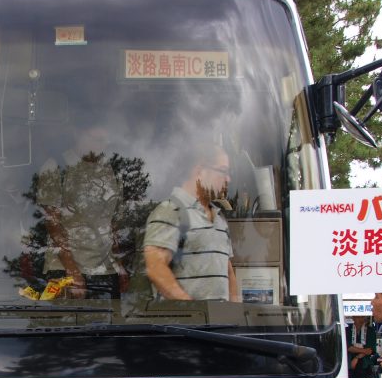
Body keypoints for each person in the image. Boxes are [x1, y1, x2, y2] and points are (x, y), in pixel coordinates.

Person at [35, 124, 126, 298]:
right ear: (77, 133)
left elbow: (111, 222)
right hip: (66, 270)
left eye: (105, 141)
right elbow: (51, 223)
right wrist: (73, 272)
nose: (101, 146)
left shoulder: (108, 169)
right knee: (71, 323)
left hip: (105, 270)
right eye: (96, 140)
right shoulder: (57, 167)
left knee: (113, 324)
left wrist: (119, 265)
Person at [144, 143, 240, 302]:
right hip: (186, 325)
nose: (228, 178)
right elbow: (155, 267)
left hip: (221, 325)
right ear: (200, 170)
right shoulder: (171, 210)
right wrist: (192, 312)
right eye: (223, 171)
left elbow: (228, 272)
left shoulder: (219, 219)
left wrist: (237, 317)